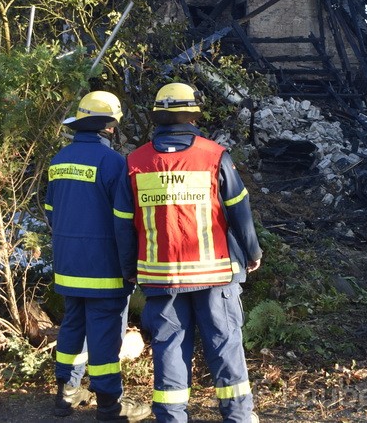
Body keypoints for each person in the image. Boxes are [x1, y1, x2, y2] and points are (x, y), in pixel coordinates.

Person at [127, 83, 263, 423]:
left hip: (161, 279)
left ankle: (172, 417)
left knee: (169, 348)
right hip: (214, 276)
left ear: (157, 116)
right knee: (225, 345)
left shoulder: (136, 161)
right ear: (192, 115)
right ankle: (239, 417)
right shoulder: (214, 156)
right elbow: (239, 210)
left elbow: (122, 223)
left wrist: (129, 267)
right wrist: (252, 251)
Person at [46, 90, 151, 422]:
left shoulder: (59, 160)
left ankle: (66, 393)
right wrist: (129, 266)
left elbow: (51, 212)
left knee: (73, 328)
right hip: (104, 270)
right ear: (110, 127)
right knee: (105, 337)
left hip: (67, 267)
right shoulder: (113, 163)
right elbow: (124, 222)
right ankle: (110, 407)